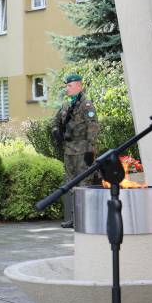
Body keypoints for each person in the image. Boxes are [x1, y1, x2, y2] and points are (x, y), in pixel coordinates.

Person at [51, 74, 99, 228]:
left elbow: (93, 127)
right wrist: (56, 130)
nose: (67, 88)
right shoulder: (66, 105)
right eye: (67, 86)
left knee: (84, 184)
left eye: (70, 86)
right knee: (70, 184)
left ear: (79, 86)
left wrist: (90, 149)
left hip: (83, 150)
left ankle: (86, 218)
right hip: (69, 150)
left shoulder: (86, 105)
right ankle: (74, 218)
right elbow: (55, 120)